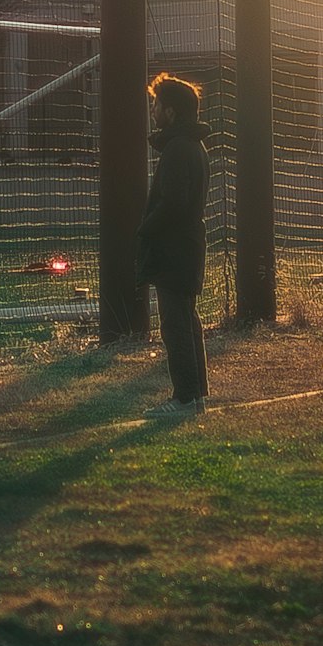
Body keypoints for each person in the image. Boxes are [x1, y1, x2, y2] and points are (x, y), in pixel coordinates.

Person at [136, 71, 211, 405]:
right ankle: (196, 392)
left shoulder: (179, 148)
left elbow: (174, 203)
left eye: (156, 104)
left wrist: (145, 228)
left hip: (175, 248)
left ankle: (185, 396)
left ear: (171, 112)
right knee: (187, 320)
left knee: (175, 325)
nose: (153, 110)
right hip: (187, 245)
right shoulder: (193, 146)